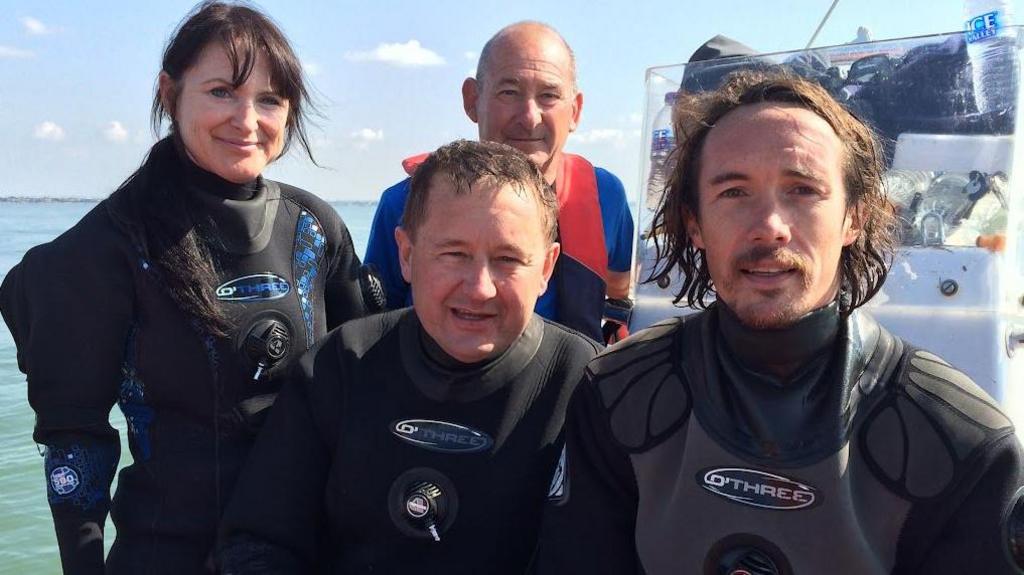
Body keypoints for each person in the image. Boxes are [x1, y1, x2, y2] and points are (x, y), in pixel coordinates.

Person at [536, 71, 1024, 574]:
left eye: (802, 190)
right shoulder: (617, 396)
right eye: (734, 192)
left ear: (854, 218)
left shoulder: (961, 442)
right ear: (694, 223)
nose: (769, 226)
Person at [0, 2, 375, 573]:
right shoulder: (113, 245)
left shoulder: (314, 228)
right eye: (222, 91)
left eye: (269, 99)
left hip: (307, 549)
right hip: (169, 552)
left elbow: (366, 385)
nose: (246, 120)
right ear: (169, 92)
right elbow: (76, 437)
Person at [217, 140, 601, 574]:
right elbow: (258, 541)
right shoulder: (342, 363)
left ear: (546, 268)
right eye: (454, 254)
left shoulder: (584, 385)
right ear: (406, 253)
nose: (479, 288)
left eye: (508, 259)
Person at [364, 21, 635, 343]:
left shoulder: (607, 196)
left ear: (575, 111)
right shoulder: (406, 202)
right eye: (509, 92)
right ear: (472, 100)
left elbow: (620, 292)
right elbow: (374, 323)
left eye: (548, 95)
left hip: (572, 385)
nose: (529, 116)